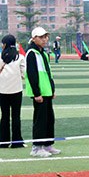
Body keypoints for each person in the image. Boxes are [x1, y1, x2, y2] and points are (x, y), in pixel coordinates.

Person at [25, 27, 60, 158]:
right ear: (34, 38)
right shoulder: (31, 53)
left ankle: (47, 144)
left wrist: (52, 89)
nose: (45, 39)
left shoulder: (44, 53)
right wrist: (36, 93)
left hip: (47, 92)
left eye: (46, 37)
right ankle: (37, 147)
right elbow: (32, 74)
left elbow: (48, 73)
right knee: (40, 120)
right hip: (39, 93)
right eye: (41, 37)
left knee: (49, 119)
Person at [0, 34, 26, 148]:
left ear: (5, 44)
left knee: (4, 116)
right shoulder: (20, 57)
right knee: (16, 116)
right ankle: (17, 142)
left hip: (2, 90)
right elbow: (24, 74)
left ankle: (3, 142)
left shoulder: (1, 57)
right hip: (16, 90)